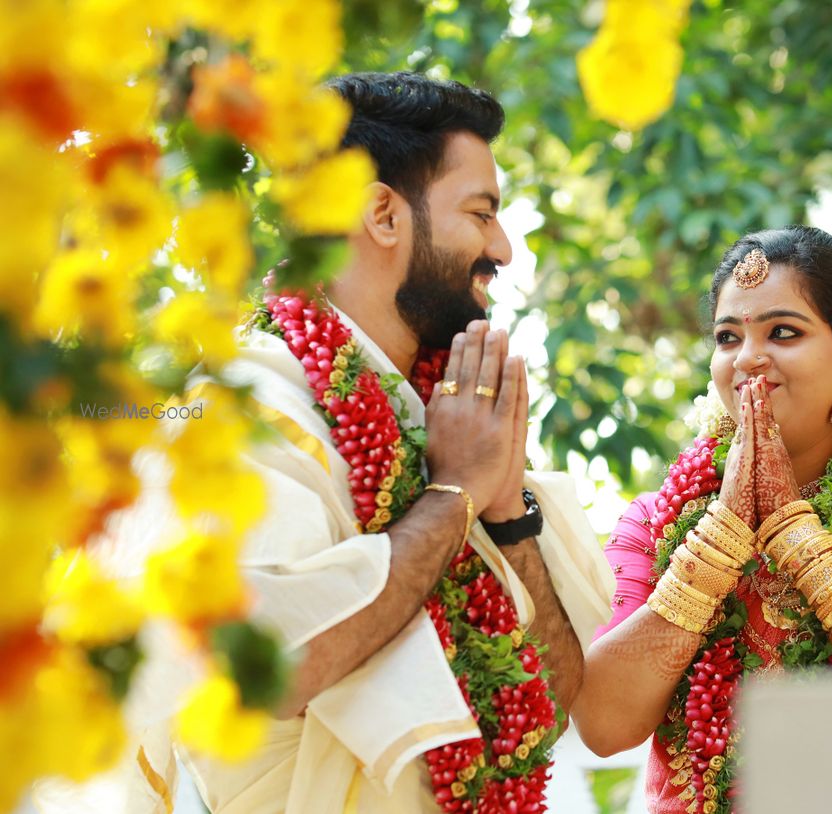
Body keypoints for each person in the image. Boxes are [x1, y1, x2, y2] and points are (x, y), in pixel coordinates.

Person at [36, 72, 613, 814]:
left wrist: (503, 510)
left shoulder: (458, 424)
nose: (501, 246)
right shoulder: (243, 408)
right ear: (382, 214)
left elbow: (554, 707)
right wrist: (454, 497)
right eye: (481, 212)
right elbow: (272, 669)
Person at [572, 226, 832, 813]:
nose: (747, 359)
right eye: (727, 336)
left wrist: (795, 532)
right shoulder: (657, 522)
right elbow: (604, 723)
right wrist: (721, 535)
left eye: (782, 332)